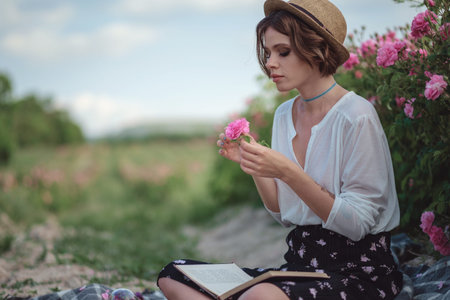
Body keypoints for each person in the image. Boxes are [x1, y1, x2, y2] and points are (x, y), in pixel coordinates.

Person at [157, 0, 403, 299]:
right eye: (268, 52)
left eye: (282, 52)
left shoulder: (356, 115)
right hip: (298, 267)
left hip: (358, 273)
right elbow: (285, 214)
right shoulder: (285, 115)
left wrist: (287, 172)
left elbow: (358, 224)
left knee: (260, 295)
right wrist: (253, 163)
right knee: (174, 274)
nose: (270, 63)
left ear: (317, 48)